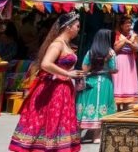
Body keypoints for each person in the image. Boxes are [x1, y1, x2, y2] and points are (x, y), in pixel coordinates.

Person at [9, 12, 84, 152]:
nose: (78, 29)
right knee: (51, 120)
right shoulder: (57, 44)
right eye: (77, 26)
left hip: (63, 89)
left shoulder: (65, 44)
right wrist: (68, 73)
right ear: (68, 27)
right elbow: (45, 64)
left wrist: (74, 75)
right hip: (54, 90)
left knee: (60, 121)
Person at [75, 29, 116, 144]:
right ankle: (96, 136)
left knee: (86, 105)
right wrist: (105, 61)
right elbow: (114, 69)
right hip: (104, 82)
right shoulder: (110, 52)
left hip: (90, 81)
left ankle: (78, 134)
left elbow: (84, 68)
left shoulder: (90, 52)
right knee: (101, 105)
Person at [111, 18, 138, 109]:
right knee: (119, 80)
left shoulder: (134, 35)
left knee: (128, 80)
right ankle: (118, 105)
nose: (129, 26)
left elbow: (136, 48)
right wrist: (125, 41)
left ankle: (127, 103)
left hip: (130, 61)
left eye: (130, 24)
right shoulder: (117, 35)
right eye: (127, 24)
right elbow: (115, 49)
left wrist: (130, 42)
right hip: (120, 60)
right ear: (121, 26)